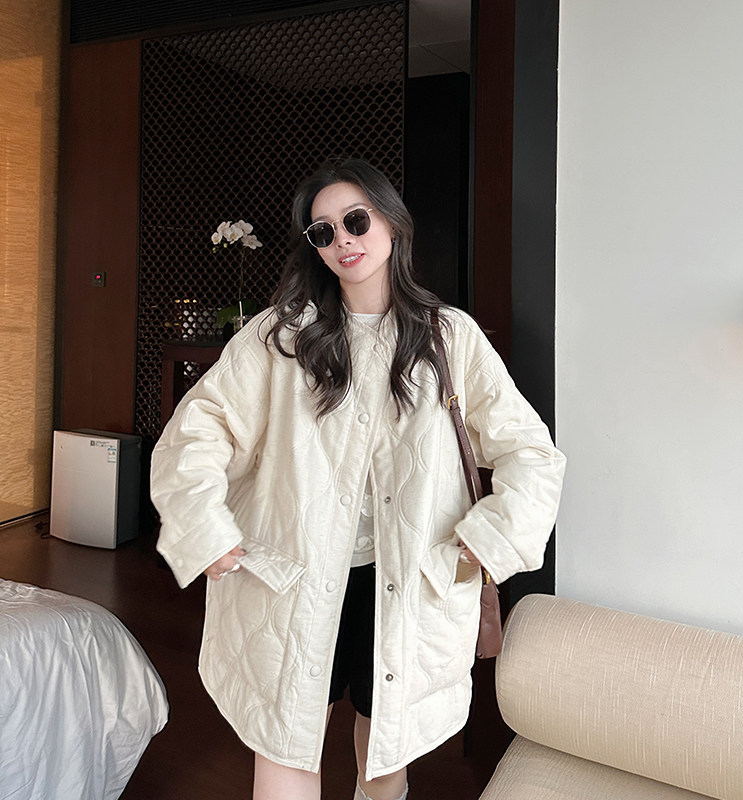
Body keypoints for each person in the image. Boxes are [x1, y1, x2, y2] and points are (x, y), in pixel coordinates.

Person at [150, 157, 566, 800]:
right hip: (292, 581)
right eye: (323, 232)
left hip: (406, 583)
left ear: (391, 223)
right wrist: (203, 524)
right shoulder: (280, 337)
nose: (342, 239)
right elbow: (196, 433)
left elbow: (531, 452)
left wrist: (489, 541)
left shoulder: (448, 338)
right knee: (286, 745)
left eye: (356, 220)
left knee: (384, 755)